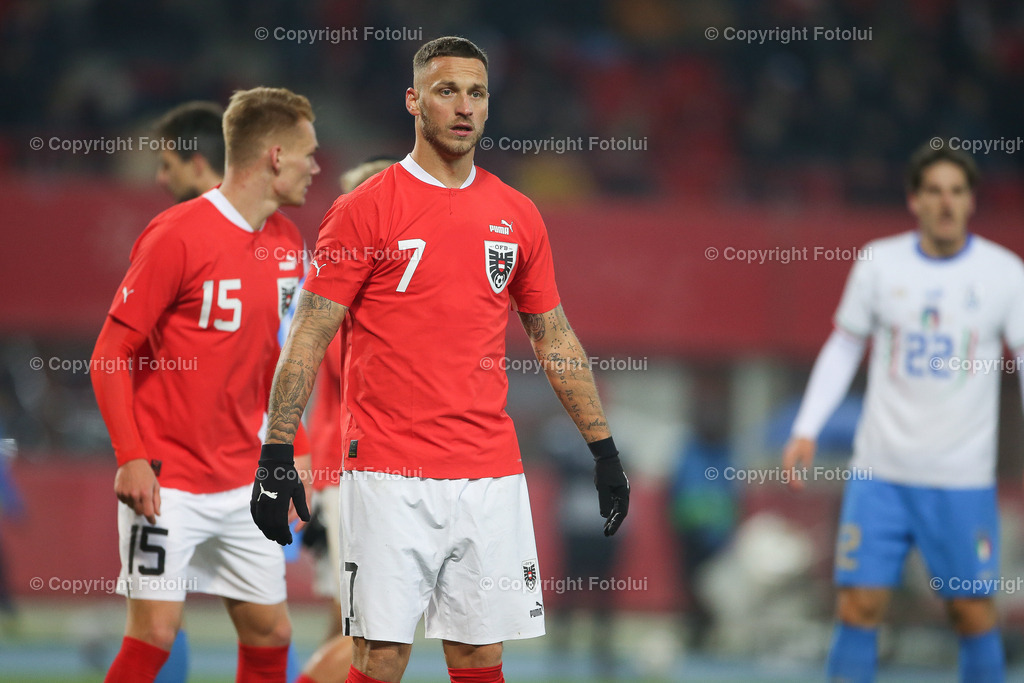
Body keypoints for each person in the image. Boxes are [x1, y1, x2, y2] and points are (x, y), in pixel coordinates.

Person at [250, 36, 630, 683]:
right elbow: (309, 334)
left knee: (481, 658)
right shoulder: (363, 209)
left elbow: (554, 337)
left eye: (477, 93)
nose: (463, 106)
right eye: (446, 90)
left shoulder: (518, 214)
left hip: (489, 475)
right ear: (413, 100)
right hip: (388, 473)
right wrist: (276, 450)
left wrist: (604, 449)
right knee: (380, 655)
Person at [91, 86, 319, 683]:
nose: (316, 167)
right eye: (307, 154)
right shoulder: (176, 234)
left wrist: (292, 451)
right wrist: (131, 458)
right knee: (156, 634)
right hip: (169, 483)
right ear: (274, 156)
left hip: (245, 482)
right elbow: (110, 353)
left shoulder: (289, 244)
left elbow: (281, 361)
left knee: (271, 632)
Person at [782, 144, 1024, 682]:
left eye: (957, 192)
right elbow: (845, 346)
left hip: (960, 479)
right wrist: (806, 428)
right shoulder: (878, 262)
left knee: (972, 614)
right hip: (880, 475)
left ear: (971, 201)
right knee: (857, 607)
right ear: (914, 199)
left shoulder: (1004, 274)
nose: (946, 202)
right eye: (934, 191)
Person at [295, 157, 398, 683]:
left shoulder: (344, 294)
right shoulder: (352, 301)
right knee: (368, 631)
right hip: (356, 479)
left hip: (342, 480)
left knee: (348, 621)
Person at [152, 101, 226, 203]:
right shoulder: (251, 214)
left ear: (196, 165)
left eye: (167, 166)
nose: (161, 178)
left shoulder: (177, 219)